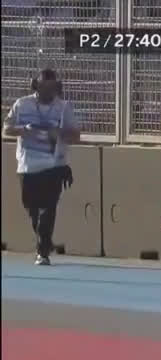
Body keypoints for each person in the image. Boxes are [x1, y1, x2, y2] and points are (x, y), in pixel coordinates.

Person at [3, 68, 80, 266]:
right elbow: (6, 129)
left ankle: (43, 250)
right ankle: (44, 239)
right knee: (32, 209)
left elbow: (75, 136)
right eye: (44, 86)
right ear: (35, 86)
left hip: (54, 166)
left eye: (51, 87)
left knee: (48, 208)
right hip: (27, 165)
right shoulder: (22, 104)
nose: (48, 91)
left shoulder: (64, 107)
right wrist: (23, 130)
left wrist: (59, 133)